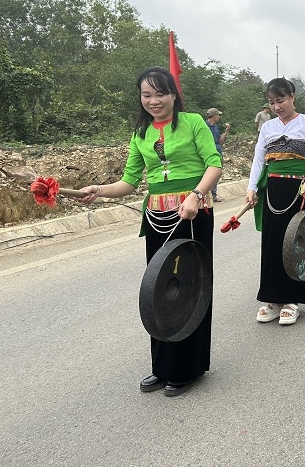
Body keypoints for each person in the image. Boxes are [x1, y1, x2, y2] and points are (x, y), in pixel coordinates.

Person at [78, 66, 222, 397]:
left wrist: (196, 195)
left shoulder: (194, 123)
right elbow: (129, 182)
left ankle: (187, 368)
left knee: (190, 288)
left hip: (193, 212)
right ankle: (162, 368)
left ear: (174, 95)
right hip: (157, 215)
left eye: (160, 93)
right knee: (160, 290)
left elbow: (214, 163)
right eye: (146, 94)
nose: (153, 100)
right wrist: (98, 190)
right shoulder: (140, 134)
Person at [246, 78, 305, 326]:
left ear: (292, 96)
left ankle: (293, 300)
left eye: (280, 100)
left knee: (296, 244)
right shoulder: (268, 127)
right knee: (272, 243)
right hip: (273, 191)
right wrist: (251, 187)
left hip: (299, 190)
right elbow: (259, 160)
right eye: (271, 103)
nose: (277, 106)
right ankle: (272, 300)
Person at [205, 108, 229, 201]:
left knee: (217, 173)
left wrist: (226, 131)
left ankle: (213, 194)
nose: (219, 117)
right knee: (208, 173)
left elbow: (220, 140)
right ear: (214, 116)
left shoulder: (215, 127)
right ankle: (207, 194)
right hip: (209, 153)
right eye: (218, 115)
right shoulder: (204, 126)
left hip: (218, 152)